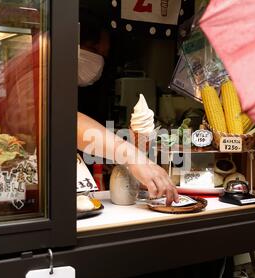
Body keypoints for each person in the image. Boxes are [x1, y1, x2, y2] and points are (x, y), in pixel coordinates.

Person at [77, 8, 179, 205]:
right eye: (96, 52)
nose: (99, 62)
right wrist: (133, 157)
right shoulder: (37, 72)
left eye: (103, 56)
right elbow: (63, 121)